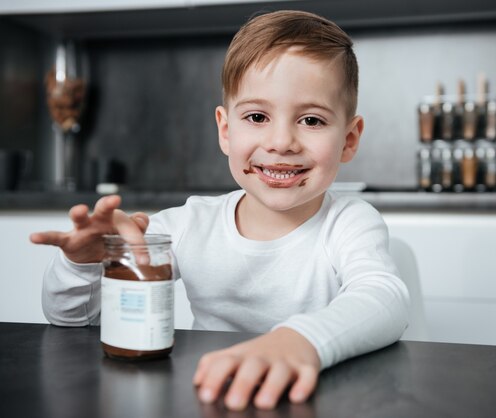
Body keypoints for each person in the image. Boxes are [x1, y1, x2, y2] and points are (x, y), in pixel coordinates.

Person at [30, 10, 410, 411]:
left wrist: (299, 342)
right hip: (210, 397)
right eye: (257, 117)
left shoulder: (348, 223)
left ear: (349, 140)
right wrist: (84, 266)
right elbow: (69, 320)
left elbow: (385, 300)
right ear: (226, 130)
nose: (281, 141)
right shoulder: (188, 226)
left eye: (311, 120)